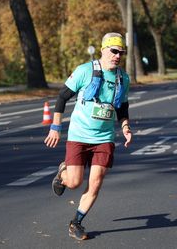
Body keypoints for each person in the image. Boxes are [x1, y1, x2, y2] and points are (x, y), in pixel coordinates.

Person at [44, 32, 132, 241]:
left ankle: (76, 223)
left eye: (121, 52)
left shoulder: (123, 78)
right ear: (103, 50)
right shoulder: (85, 71)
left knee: (96, 182)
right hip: (79, 134)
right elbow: (62, 97)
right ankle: (63, 173)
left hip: (105, 138)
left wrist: (126, 127)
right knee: (74, 182)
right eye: (114, 51)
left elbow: (123, 106)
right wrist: (55, 127)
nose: (118, 56)